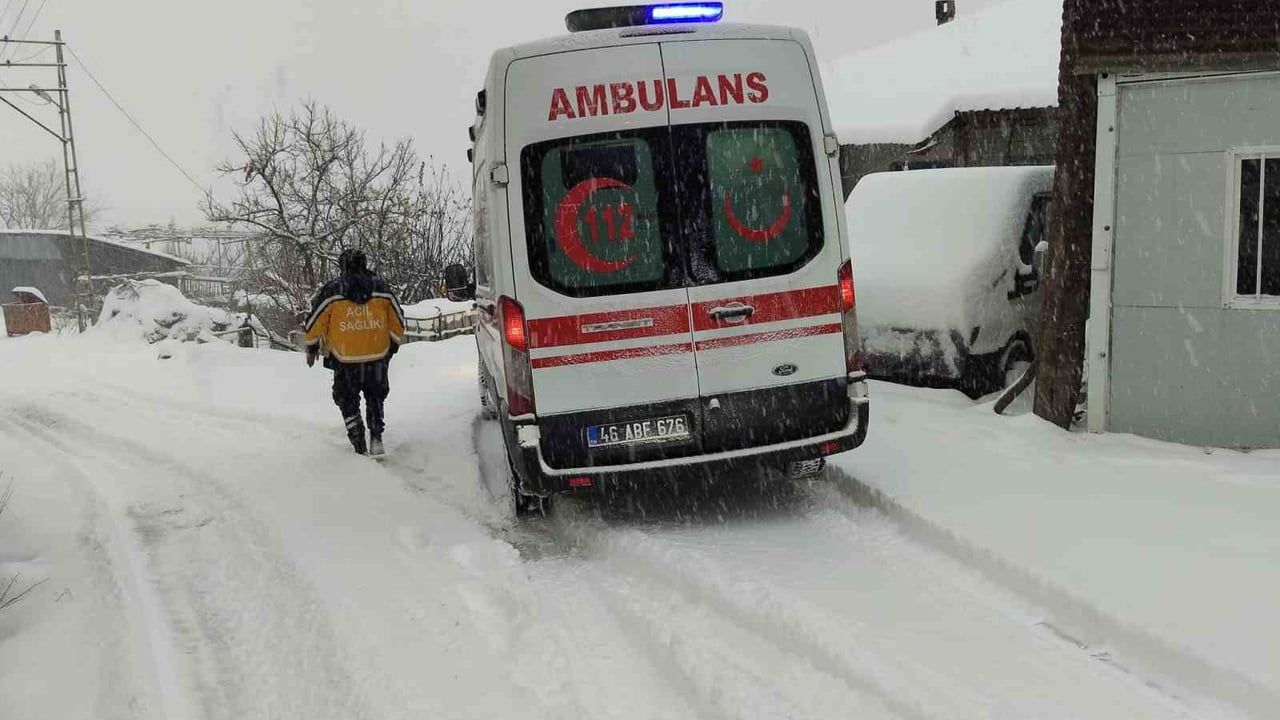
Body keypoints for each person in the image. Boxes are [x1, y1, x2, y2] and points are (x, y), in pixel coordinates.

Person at [303, 248, 406, 456]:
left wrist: (312, 345)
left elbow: (315, 322)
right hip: (377, 354)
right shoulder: (381, 288)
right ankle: (376, 437)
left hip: (345, 356)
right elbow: (399, 320)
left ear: (342, 266)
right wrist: (393, 343)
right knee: (375, 396)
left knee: (346, 397)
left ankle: (358, 439)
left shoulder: (333, 291)